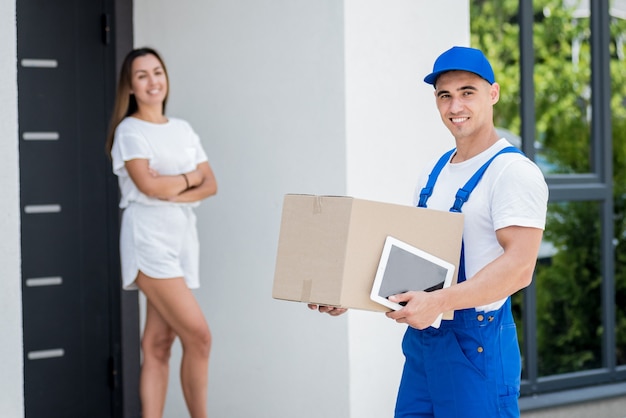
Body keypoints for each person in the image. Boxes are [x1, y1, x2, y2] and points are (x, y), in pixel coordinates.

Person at [309, 46, 548, 417]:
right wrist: (348, 291)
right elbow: (411, 264)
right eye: (444, 96)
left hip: (476, 346)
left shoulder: (513, 173)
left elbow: (520, 268)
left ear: (493, 93)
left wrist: (438, 302)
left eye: (467, 92)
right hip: (424, 343)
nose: (455, 107)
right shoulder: (434, 173)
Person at [105, 47, 217, 418]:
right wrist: (189, 179)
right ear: (131, 87)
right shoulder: (129, 130)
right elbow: (148, 187)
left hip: (182, 240)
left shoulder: (182, 129)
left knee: (158, 343)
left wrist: (173, 183)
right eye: (142, 75)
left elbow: (212, 184)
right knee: (199, 336)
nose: (153, 81)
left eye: (157, 72)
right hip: (148, 239)